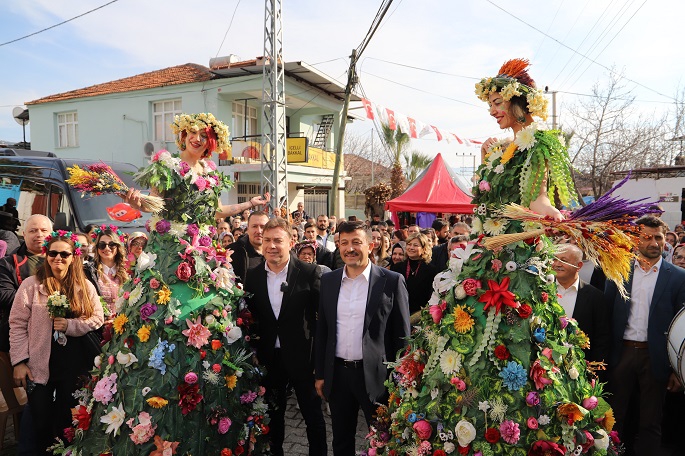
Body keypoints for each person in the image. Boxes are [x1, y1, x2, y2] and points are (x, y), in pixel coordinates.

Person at [366, 59, 620, 455]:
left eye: (498, 100)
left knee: (519, 336)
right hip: (482, 256)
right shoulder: (498, 149)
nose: (492, 110)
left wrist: (561, 218)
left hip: (516, 259)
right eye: (489, 103)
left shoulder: (539, 146)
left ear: (520, 101)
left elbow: (537, 200)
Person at [66, 113, 271, 454]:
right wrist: (134, 199)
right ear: (182, 137)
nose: (197, 139)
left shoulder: (211, 173)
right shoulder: (169, 166)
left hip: (205, 255)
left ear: (211, 141)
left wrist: (249, 204)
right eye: (191, 133)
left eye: (204, 135)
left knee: (212, 321)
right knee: (161, 316)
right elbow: (153, 204)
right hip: (171, 252)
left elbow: (215, 212)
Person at [315, 220, 409, 456]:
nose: (349, 248)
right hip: (338, 375)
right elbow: (323, 330)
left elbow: (403, 337)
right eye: (344, 243)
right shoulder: (328, 281)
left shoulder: (392, 281)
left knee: (383, 440)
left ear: (371, 245)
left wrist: (400, 380)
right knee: (341, 441)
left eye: (356, 242)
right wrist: (320, 374)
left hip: (378, 378)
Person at [10, 231, 104, 456]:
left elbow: (97, 318)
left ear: (74, 256)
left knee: (67, 421)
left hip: (74, 366)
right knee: (40, 421)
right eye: (53, 253)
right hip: (39, 365)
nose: (58, 258)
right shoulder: (31, 286)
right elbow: (17, 324)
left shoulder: (84, 286)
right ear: (46, 255)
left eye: (64, 253)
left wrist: (70, 325)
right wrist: (20, 361)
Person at [245, 218, 327, 456]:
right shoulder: (253, 275)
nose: (271, 246)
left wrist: (319, 363)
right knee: (274, 416)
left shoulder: (310, 273)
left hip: (304, 360)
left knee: (313, 418)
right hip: (270, 360)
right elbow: (251, 317)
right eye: (267, 240)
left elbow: (322, 321)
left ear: (291, 242)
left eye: (277, 240)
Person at [606, 216, 685, 456]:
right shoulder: (617, 271)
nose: (653, 242)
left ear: (665, 240)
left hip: (657, 358)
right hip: (622, 354)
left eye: (658, 237)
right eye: (646, 237)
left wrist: (677, 369)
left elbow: (683, 327)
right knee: (613, 417)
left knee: (651, 421)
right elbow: (607, 315)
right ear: (635, 239)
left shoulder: (678, 277)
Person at [552, 243, 611, 381]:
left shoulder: (595, 297)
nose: (557, 264)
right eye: (555, 259)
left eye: (564, 260)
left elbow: (602, 339)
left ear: (579, 266)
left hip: (580, 371)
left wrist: (593, 374)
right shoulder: (542, 290)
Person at [0, 214, 52, 353]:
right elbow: (4, 295)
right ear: (23, 234)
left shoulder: (64, 259)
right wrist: (46, 303)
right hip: (21, 336)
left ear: (52, 233)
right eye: (33, 231)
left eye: (44, 230)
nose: (39, 234)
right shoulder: (8, 263)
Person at [85, 225, 129, 316]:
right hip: (98, 324)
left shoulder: (128, 270)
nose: (107, 248)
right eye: (102, 245)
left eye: (112, 245)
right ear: (97, 248)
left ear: (117, 247)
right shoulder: (88, 271)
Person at [391, 232, 438, 316]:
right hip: (399, 312)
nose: (411, 248)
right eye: (409, 244)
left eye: (415, 245)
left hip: (421, 315)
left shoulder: (431, 270)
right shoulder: (397, 268)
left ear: (424, 249)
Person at [228, 211, 269, 284]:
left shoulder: (276, 252)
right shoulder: (233, 252)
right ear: (248, 229)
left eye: (263, 227)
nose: (259, 231)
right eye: (254, 226)